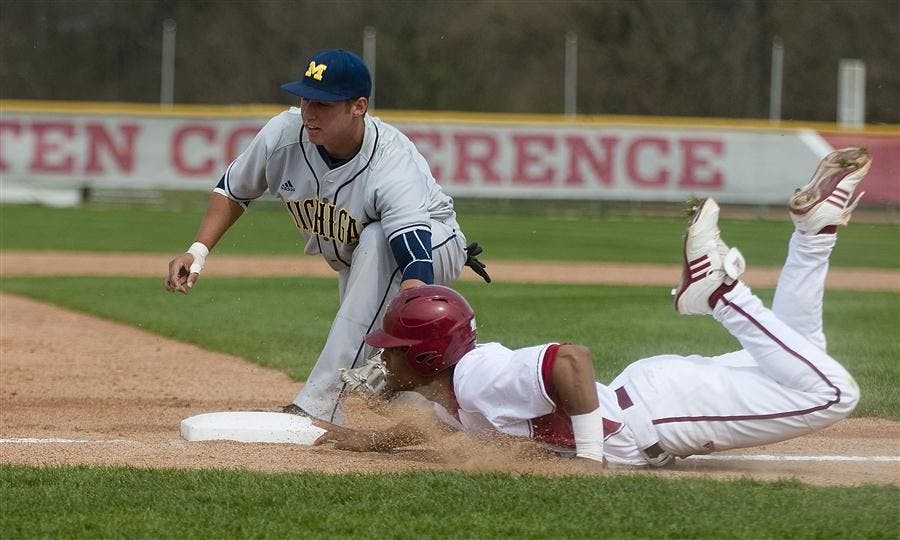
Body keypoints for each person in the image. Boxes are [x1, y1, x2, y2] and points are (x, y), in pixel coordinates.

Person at [314, 147, 870, 468]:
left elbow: (570, 360)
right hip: (656, 395)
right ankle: (813, 234)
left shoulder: (480, 375)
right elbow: (439, 430)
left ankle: (722, 295)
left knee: (830, 391)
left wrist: (587, 461)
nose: (386, 360)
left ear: (432, 359)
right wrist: (368, 441)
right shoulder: (455, 388)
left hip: (661, 417)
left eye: (398, 351)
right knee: (804, 360)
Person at [164, 48, 489, 425]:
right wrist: (197, 251)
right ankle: (459, 415)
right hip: (365, 257)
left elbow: (412, 259)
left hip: (432, 243)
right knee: (382, 381)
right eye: (305, 98)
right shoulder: (283, 136)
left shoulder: (391, 160)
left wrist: (410, 332)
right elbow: (233, 190)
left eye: (324, 103)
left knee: (378, 243)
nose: (309, 111)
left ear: (359, 106)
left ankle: (318, 407)